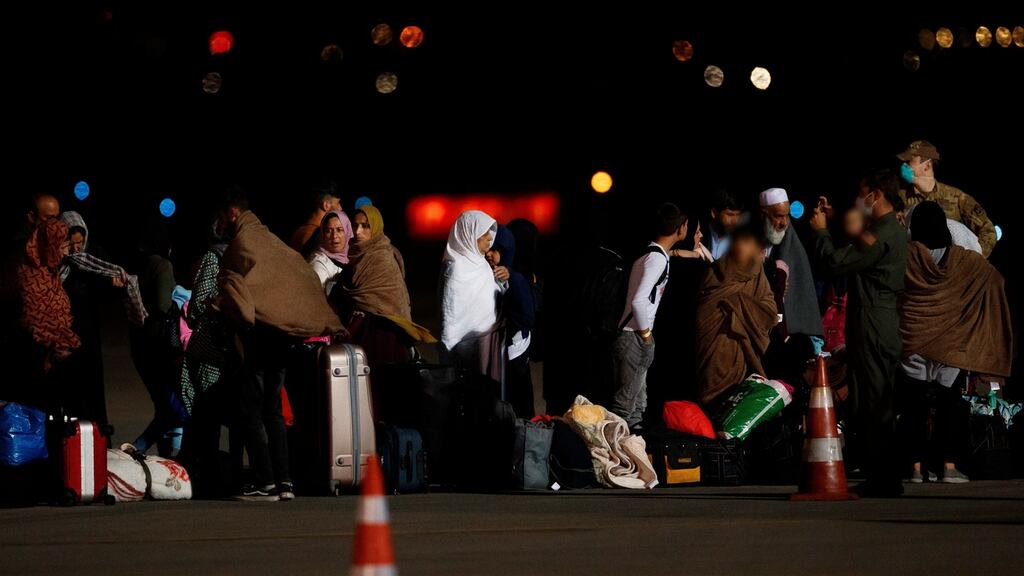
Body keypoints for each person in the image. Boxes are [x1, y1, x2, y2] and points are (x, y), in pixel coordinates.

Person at [215, 190, 344, 502]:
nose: (219, 223)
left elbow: (240, 296)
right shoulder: (272, 242)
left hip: (259, 341)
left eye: (221, 217)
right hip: (283, 341)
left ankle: (265, 481)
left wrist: (219, 306)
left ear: (232, 213)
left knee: (252, 412)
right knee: (273, 411)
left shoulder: (242, 244)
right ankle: (285, 482)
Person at [810, 168, 908, 497]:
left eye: (862, 193)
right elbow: (859, 241)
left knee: (875, 399)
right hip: (876, 319)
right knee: (872, 397)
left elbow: (836, 264)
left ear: (875, 195)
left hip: (873, 321)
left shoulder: (883, 234)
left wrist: (822, 234)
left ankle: (885, 477)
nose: (858, 201)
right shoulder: (884, 229)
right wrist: (837, 220)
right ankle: (882, 474)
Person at [899, 201, 1012, 484]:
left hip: (914, 340)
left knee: (913, 405)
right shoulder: (964, 259)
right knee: (949, 403)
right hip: (952, 343)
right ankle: (947, 468)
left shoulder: (905, 256)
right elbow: (995, 280)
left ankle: (914, 468)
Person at [57, 211, 146, 427]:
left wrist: (113, 287)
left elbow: (104, 295)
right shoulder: (55, 262)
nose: (77, 248)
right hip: (62, 335)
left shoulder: (94, 257)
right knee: (65, 392)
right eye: (72, 242)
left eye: (80, 242)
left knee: (91, 390)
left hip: (88, 334)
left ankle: (94, 441)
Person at [610, 203, 688, 431]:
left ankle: (635, 460)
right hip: (633, 336)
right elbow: (638, 300)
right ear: (680, 228)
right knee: (625, 408)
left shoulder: (652, 253)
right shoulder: (657, 259)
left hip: (630, 335)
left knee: (636, 406)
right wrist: (646, 335)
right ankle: (616, 462)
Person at [335, 204, 433, 369]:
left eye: (366, 226)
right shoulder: (355, 253)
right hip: (364, 332)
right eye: (355, 225)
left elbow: (377, 297)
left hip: (385, 334)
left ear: (376, 227)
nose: (358, 231)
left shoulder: (382, 257)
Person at [695, 226, 779, 407]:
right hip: (713, 344)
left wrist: (738, 304)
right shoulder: (715, 270)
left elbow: (770, 312)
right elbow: (704, 308)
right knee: (709, 391)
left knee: (733, 398)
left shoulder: (757, 273)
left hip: (739, 350)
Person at [897, 140, 996, 257]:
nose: (904, 166)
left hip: (949, 271)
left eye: (909, 162)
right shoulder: (899, 198)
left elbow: (988, 230)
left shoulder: (956, 197)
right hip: (916, 270)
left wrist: (973, 259)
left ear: (927, 165)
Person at [14, 219, 79, 392]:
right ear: (49, 245)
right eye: (63, 245)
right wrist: (56, 342)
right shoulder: (28, 273)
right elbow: (32, 318)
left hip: (54, 356)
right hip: (31, 356)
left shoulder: (50, 271)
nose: (66, 252)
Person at [440, 210, 502, 377]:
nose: (490, 237)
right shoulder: (457, 268)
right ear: (468, 233)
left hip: (486, 342)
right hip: (463, 347)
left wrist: (503, 281)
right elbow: (451, 316)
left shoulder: (481, 263)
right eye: (484, 232)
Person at [759, 188, 822, 342]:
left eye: (787, 216)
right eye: (779, 216)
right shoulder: (748, 241)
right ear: (763, 214)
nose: (784, 223)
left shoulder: (792, 245)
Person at [486, 225, 537, 418]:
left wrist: (503, 319)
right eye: (488, 249)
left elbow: (527, 317)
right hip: (504, 349)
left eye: (496, 250)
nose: (489, 254)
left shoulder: (515, 278)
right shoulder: (495, 273)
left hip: (515, 351)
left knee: (518, 401)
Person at [289, 184, 342, 258]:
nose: (340, 208)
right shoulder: (311, 234)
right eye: (338, 203)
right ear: (326, 205)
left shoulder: (304, 230)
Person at [308, 210, 352, 295]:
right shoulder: (319, 263)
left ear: (347, 232)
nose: (334, 236)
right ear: (323, 235)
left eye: (339, 230)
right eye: (328, 231)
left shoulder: (353, 256)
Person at [701, 189, 746, 261]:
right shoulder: (698, 235)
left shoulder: (743, 241)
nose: (735, 221)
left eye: (738, 215)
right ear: (714, 213)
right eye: (730, 215)